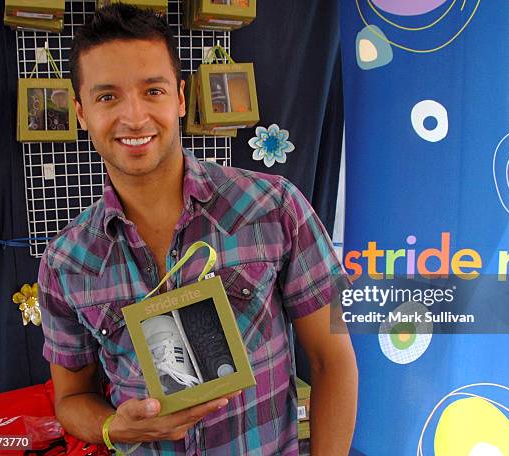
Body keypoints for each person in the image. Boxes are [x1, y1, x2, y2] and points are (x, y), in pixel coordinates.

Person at [38, 4, 358, 455]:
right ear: (81, 112)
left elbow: (332, 360)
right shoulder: (66, 262)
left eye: (153, 90)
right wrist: (115, 427)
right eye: (107, 96)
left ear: (181, 98)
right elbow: (70, 398)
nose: (133, 117)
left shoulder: (273, 207)